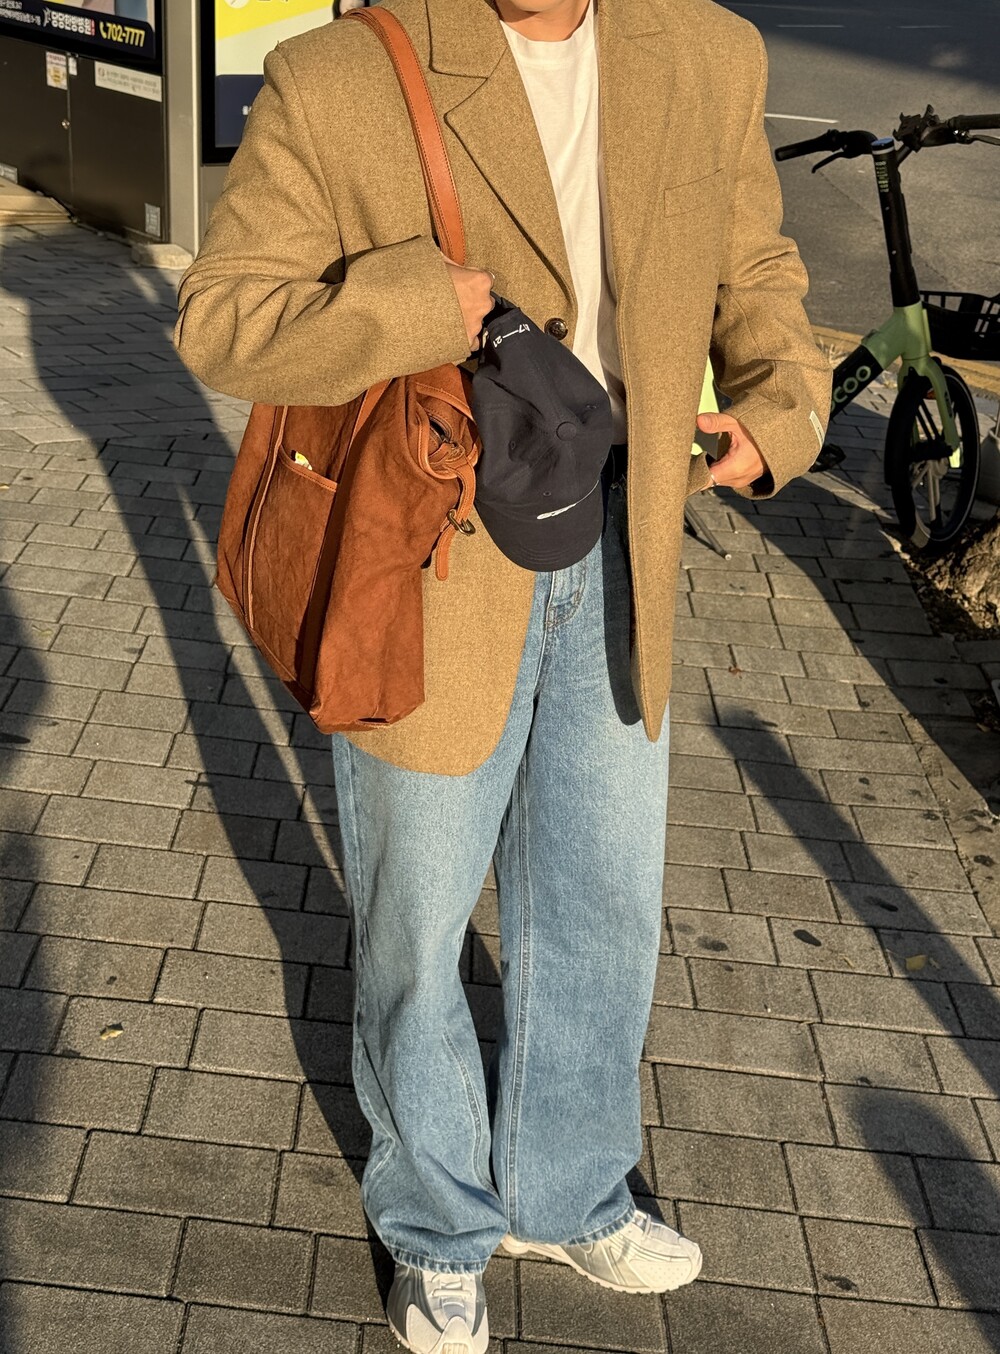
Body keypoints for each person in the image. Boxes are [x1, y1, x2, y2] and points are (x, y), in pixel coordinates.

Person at [174, 0, 833, 1348]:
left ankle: (568, 1188)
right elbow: (223, 320)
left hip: (628, 536)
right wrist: (415, 307)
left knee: (602, 900)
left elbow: (755, 262)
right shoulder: (338, 76)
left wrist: (781, 404)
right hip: (426, 562)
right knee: (417, 919)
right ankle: (435, 1222)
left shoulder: (708, 53)